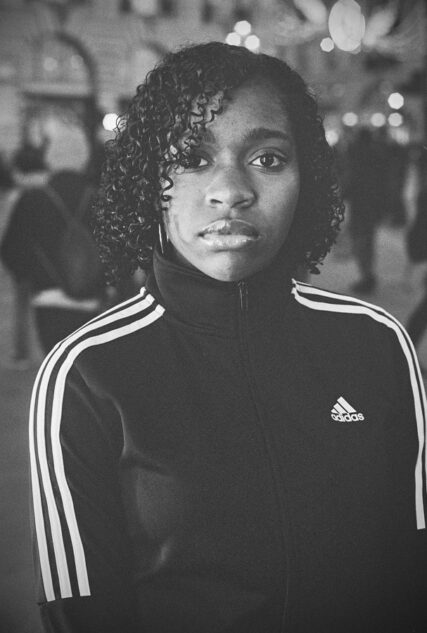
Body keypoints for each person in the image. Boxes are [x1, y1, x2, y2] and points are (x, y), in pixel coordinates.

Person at [29, 42, 427, 633]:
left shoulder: (376, 342)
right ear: (148, 178)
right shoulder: (86, 373)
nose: (230, 190)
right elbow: (82, 610)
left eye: (267, 159)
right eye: (191, 158)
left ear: (307, 178)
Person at [1, 169, 106, 354]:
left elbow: (11, 249)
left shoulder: (32, 199)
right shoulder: (100, 198)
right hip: (93, 300)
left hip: (48, 298)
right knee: (90, 371)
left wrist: (27, 277)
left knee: (57, 367)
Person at [344, 126, 388, 294]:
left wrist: (342, 194)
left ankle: (366, 276)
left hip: (360, 205)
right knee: (368, 241)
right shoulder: (377, 156)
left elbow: (351, 181)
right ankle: (368, 276)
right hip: (371, 205)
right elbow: (383, 183)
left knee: (360, 241)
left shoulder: (358, 158)